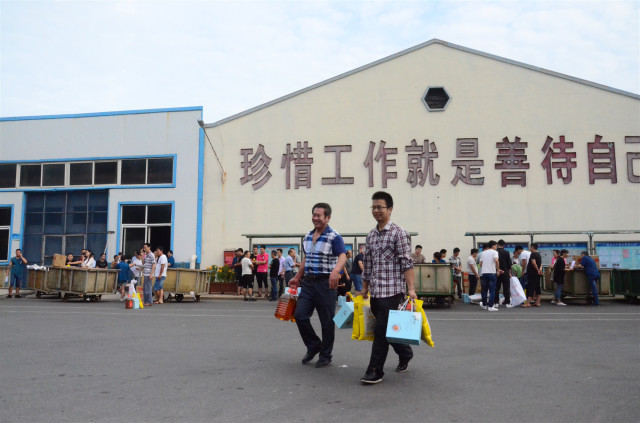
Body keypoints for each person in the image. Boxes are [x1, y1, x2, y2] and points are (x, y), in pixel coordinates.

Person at [360, 191, 415, 385]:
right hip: (376, 292)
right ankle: (405, 353)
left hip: (393, 292)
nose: (376, 210)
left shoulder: (399, 233)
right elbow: (368, 263)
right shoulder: (371, 235)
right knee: (388, 331)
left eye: (380, 207)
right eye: (373, 207)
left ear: (390, 209)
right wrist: (365, 287)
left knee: (381, 331)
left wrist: (411, 289)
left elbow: (407, 262)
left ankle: (375, 370)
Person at [289, 202, 346, 369]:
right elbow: (306, 258)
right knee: (299, 315)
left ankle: (326, 355)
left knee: (326, 321)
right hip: (308, 283)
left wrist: (335, 271)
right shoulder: (308, 236)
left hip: (325, 283)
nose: (315, 218)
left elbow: (342, 256)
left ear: (327, 218)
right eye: (314, 215)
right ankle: (314, 345)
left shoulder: (334, 236)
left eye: (319, 215)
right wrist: (297, 277)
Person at [479, 240, 500, 311]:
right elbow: (496, 260)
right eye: (496, 246)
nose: (496, 247)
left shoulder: (483, 253)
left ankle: (484, 305)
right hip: (492, 273)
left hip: (484, 273)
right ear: (493, 246)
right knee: (492, 290)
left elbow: (480, 263)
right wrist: (498, 270)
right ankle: (491, 306)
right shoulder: (495, 252)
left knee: (484, 290)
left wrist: (485, 267)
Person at [524, 243, 543, 307]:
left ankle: (528, 303)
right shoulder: (538, 254)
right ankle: (537, 302)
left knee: (531, 287)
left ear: (532, 247)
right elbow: (541, 264)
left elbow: (533, 263)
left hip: (532, 274)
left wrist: (537, 270)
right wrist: (540, 270)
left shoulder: (533, 254)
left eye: (530, 247)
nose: (530, 248)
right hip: (537, 274)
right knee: (537, 288)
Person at [494, 240, 511, 307]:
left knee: (496, 288)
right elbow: (509, 264)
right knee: (506, 287)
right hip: (505, 271)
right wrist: (509, 273)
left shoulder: (495, 252)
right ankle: (507, 302)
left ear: (497, 244)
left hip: (496, 271)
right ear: (504, 245)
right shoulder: (506, 252)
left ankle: (496, 302)